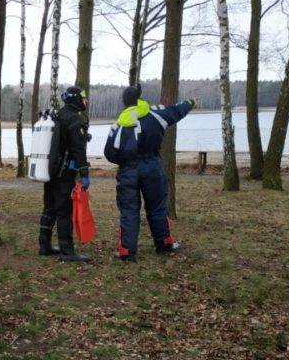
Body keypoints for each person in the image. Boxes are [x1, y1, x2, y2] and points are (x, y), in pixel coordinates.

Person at [104, 85, 195, 262]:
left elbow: (109, 153)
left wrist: (125, 162)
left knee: (129, 210)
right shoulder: (155, 113)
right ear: (139, 99)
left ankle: (127, 251)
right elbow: (176, 111)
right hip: (152, 166)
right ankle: (163, 243)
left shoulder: (118, 125)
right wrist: (189, 103)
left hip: (128, 171)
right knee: (157, 207)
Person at [38, 86, 92, 263]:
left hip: (50, 169)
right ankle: (67, 251)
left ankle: (44, 245)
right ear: (76, 98)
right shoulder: (75, 119)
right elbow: (78, 150)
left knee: (49, 207)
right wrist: (84, 173)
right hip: (65, 172)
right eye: (83, 97)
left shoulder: (58, 115)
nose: (86, 101)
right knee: (64, 211)